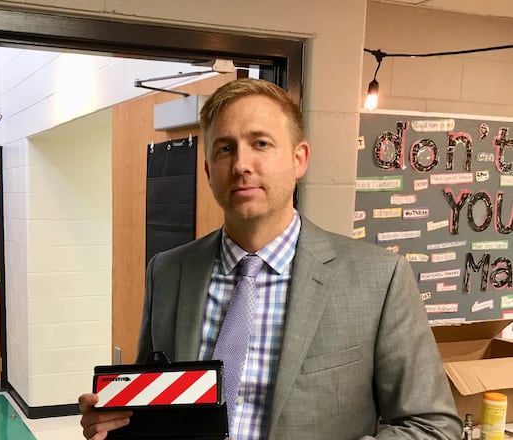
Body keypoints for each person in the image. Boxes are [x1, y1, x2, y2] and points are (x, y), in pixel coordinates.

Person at [78, 78, 462, 440]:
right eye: (225, 148)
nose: (241, 164)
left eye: (260, 143)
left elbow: (433, 426)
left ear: (299, 159)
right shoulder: (167, 272)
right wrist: (114, 421)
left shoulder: (379, 279)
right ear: (209, 170)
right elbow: (152, 411)